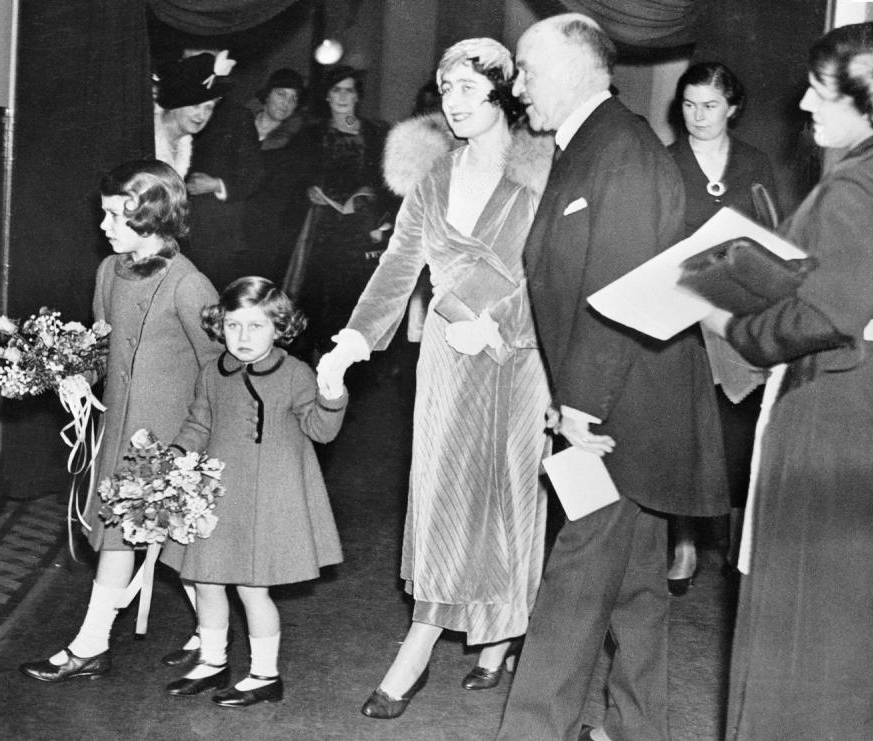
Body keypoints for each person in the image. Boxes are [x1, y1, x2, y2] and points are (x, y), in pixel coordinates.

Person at [496, 15, 727, 741]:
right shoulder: (585, 146)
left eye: (527, 70)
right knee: (634, 591)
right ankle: (639, 729)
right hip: (619, 408)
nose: (517, 85)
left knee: (572, 585)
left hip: (618, 415)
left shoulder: (620, 150)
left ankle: (530, 731)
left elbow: (618, 294)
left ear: (575, 68)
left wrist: (579, 409)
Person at [317, 38, 553, 719]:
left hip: (518, 353)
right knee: (445, 492)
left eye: (469, 90)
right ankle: (428, 637)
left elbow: (555, 271)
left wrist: (501, 324)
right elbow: (397, 267)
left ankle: (493, 631)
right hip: (449, 354)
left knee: (510, 493)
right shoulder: (431, 177)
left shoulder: (540, 173)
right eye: (446, 88)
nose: (453, 102)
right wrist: (353, 342)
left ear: (503, 95)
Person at [701, 21, 873, 740]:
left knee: (802, 627)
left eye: (820, 89)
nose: (804, 102)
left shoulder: (857, 185)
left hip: (830, 414)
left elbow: (829, 310)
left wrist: (733, 327)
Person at [18, 160, 220, 682]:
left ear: (152, 219)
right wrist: (75, 372)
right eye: (104, 215)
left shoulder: (190, 286)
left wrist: (190, 446)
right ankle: (92, 645)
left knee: (182, 546)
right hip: (120, 436)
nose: (103, 227)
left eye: (115, 217)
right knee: (116, 534)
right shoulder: (109, 271)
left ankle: (212, 640)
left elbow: (219, 371)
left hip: (170, 441)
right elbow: (103, 344)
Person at [158, 276, 347, 707]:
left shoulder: (295, 374)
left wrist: (332, 395)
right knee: (204, 580)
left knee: (251, 590)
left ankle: (264, 675)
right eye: (232, 325)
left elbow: (321, 430)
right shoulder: (213, 372)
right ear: (219, 325)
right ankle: (212, 661)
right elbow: (199, 424)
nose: (242, 337)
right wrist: (172, 456)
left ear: (279, 328)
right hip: (216, 496)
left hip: (268, 499)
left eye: (256, 327)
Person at [666, 62, 779, 594]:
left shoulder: (755, 164)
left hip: (736, 314)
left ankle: (736, 544)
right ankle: (684, 541)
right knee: (687, 431)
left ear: (732, 108)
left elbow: (772, 236)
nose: (698, 116)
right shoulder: (665, 163)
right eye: (688, 105)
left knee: (736, 430)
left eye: (709, 106)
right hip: (682, 315)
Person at [288, 66, 394, 357]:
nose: (343, 96)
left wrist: (371, 198)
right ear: (326, 95)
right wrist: (307, 190)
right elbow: (292, 178)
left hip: (361, 228)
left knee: (355, 299)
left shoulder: (374, 133)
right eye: (337, 89)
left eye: (350, 90)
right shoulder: (311, 134)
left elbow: (387, 182)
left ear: (358, 96)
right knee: (317, 298)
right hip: (320, 228)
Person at [154, 51, 264, 290]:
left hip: (203, 239)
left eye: (209, 107)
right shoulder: (154, 135)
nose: (202, 115)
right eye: (196, 105)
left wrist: (216, 185)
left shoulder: (227, 121)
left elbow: (253, 174)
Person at [242, 68, 309, 283]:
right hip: (224, 229)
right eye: (281, 94)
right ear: (267, 94)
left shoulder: (294, 144)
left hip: (264, 236)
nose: (286, 103)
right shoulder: (237, 128)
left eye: (293, 98)